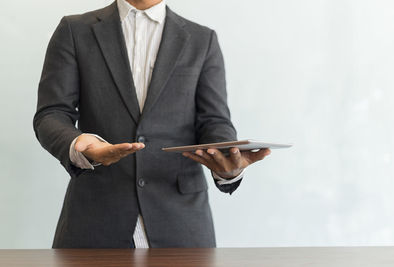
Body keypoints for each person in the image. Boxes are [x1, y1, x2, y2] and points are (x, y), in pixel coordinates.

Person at [33, 0, 270, 248]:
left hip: (182, 225)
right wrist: (80, 145)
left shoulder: (202, 39)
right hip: (94, 221)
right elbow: (51, 114)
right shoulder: (74, 30)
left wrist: (226, 162)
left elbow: (214, 121)